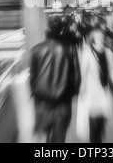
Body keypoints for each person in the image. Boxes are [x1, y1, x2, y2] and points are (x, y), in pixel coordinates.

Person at [29, 15, 81, 143]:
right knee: (59, 139)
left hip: (42, 104)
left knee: (43, 139)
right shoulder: (70, 49)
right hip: (62, 105)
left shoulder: (36, 49)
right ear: (62, 29)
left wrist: (35, 94)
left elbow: (32, 77)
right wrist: (70, 94)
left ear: (48, 27)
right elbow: (77, 77)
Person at [79, 28, 113, 143]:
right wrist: (82, 90)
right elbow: (83, 73)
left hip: (104, 91)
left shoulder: (109, 53)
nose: (102, 39)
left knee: (102, 122)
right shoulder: (87, 52)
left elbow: (112, 72)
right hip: (92, 92)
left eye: (102, 37)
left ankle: (98, 140)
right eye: (99, 37)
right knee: (93, 122)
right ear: (93, 40)